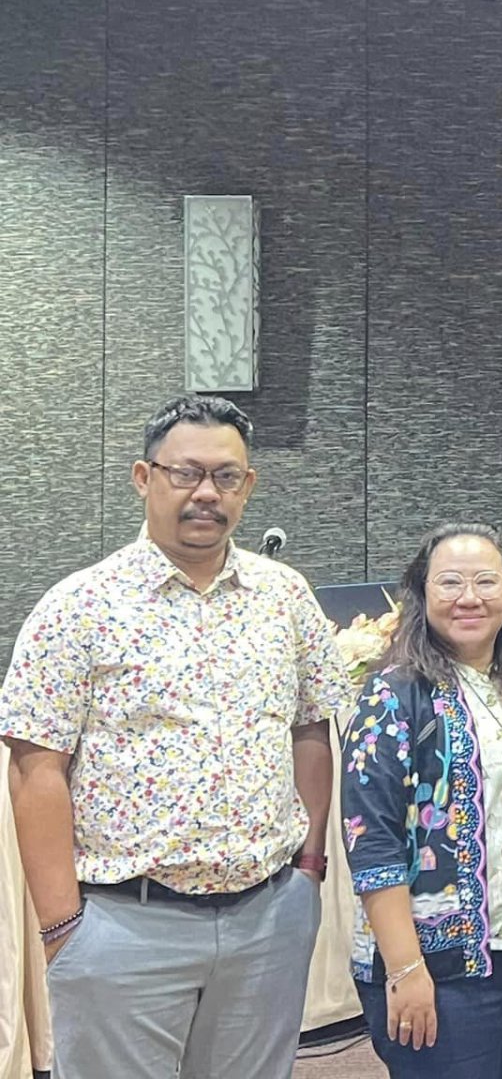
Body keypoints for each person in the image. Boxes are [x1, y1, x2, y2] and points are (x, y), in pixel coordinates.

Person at [0, 394, 346, 1079]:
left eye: (226, 476)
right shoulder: (79, 606)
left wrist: (308, 868)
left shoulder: (285, 597)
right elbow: (36, 767)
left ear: (248, 486)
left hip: (268, 918)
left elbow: (310, 728)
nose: (206, 493)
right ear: (144, 477)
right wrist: (62, 926)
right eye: (185, 473)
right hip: (124, 925)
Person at [340, 521, 502, 1079]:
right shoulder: (394, 694)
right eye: (450, 582)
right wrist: (405, 967)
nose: (469, 597)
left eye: (486, 581)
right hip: (438, 964)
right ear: (422, 593)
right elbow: (372, 841)